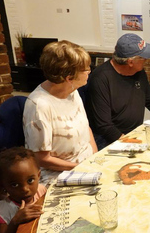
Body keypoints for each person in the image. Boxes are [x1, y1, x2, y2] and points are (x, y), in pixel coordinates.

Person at [85, 33, 150, 150]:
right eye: (143, 57)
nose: (147, 60)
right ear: (130, 62)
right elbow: (104, 126)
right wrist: (132, 143)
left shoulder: (138, 71)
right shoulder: (101, 78)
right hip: (109, 140)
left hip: (135, 132)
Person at [23, 40, 98, 181]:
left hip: (86, 164)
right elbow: (42, 159)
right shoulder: (39, 106)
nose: (89, 72)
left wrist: (94, 156)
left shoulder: (72, 91)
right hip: (59, 173)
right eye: (86, 69)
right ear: (69, 78)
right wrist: (80, 167)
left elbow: (85, 127)